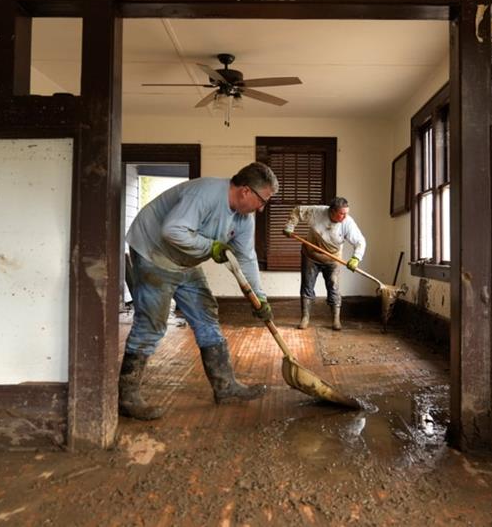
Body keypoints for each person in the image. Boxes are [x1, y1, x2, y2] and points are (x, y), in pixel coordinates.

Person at [120, 162, 278, 421]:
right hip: (153, 253)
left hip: (185, 261)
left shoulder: (244, 217)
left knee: (207, 316)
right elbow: (171, 230)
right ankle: (127, 398)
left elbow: (246, 257)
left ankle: (225, 386)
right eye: (262, 200)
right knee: (152, 324)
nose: (262, 208)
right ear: (246, 191)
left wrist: (258, 296)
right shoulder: (205, 194)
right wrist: (212, 247)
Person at [282, 197, 366, 331]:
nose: (345, 216)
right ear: (332, 211)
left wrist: (356, 258)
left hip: (333, 259)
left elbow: (360, 241)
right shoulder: (317, 212)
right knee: (307, 285)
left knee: (333, 287)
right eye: (342, 213)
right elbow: (298, 210)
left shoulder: (347, 222)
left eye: (346, 213)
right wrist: (290, 225)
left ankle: (336, 319)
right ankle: (305, 317)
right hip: (311, 255)